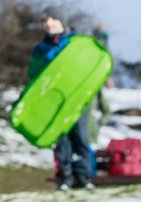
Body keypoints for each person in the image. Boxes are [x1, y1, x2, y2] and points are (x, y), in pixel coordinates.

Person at [28, 5, 93, 191]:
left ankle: (83, 176)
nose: (48, 24)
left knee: (80, 137)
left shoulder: (76, 44)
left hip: (76, 100)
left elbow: (85, 68)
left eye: (51, 20)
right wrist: (45, 60)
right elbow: (33, 73)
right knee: (61, 140)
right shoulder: (40, 49)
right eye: (44, 21)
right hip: (54, 102)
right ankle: (65, 177)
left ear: (61, 22)